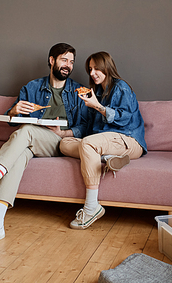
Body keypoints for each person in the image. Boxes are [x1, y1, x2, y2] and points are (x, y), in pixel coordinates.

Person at [0, 43, 88, 251]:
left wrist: (64, 133)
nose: (68, 66)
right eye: (64, 60)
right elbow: (12, 121)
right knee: (20, 153)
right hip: (33, 143)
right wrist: (14, 110)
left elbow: (86, 127)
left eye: (71, 62)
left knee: (26, 131)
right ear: (52, 60)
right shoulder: (32, 87)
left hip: (62, 142)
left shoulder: (77, 91)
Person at [60, 51, 147, 230]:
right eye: (90, 69)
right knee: (64, 144)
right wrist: (63, 132)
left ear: (107, 67)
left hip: (128, 140)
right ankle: (106, 157)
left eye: (97, 68)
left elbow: (124, 118)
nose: (92, 73)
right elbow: (89, 129)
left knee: (88, 144)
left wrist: (98, 106)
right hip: (105, 142)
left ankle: (92, 207)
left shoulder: (121, 87)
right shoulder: (97, 92)